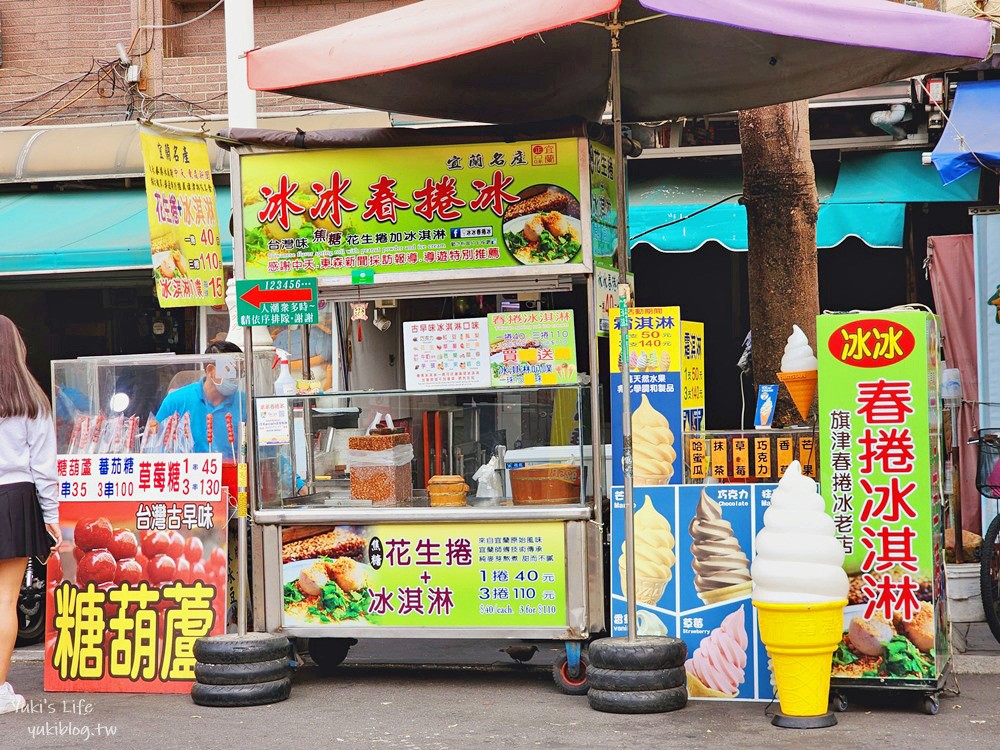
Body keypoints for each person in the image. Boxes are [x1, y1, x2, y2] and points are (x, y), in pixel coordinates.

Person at [0, 315, 61, 714]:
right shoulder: (31, 399)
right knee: (5, 601)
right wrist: (52, 514)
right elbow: (44, 466)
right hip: (14, 500)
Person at [156, 340, 244, 457]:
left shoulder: (244, 403)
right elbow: (155, 445)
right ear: (210, 371)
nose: (236, 378)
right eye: (231, 372)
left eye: (240, 373)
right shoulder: (176, 401)